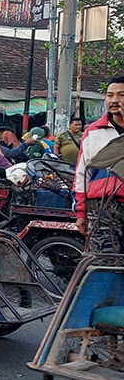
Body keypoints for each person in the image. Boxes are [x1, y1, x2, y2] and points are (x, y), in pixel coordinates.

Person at [75, 76, 124, 251]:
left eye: (121, 95)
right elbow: (82, 173)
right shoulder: (93, 131)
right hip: (102, 208)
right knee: (105, 263)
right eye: (110, 95)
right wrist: (81, 212)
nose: (114, 100)